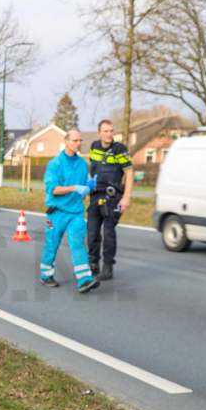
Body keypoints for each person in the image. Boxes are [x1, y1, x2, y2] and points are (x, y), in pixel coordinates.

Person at [40, 130, 100, 294]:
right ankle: (46, 275)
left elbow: (84, 188)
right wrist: (75, 187)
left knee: (78, 244)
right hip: (57, 212)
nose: (79, 143)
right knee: (52, 245)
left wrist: (89, 186)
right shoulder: (55, 164)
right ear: (66, 142)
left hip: (76, 212)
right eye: (75, 140)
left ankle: (84, 279)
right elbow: (53, 189)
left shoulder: (82, 163)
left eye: (80, 140)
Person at [87, 120, 134, 280]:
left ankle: (108, 268)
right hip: (95, 195)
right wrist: (88, 185)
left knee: (108, 233)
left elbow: (129, 173)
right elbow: (92, 167)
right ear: (98, 133)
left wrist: (126, 197)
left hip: (112, 196)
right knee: (92, 232)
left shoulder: (120, 149)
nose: (109, 134)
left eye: (111, 131)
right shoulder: (94, 146)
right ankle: (93, 265)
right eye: (106, 131)